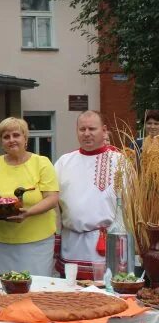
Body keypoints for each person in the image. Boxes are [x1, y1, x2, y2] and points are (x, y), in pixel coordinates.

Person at [0, 117, 59, 276]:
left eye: (16, 135)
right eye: (6, 137)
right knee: (5, 291)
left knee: (37, 289)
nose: (11, 140)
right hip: (1, 242)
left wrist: (28, 212)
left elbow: (52, 198)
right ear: (0, 141)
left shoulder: (41, 163)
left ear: (25, 138)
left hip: (37, 241)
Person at [54, 110, 122, 280]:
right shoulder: (64, 161)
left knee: (105, 297)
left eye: (92, 129)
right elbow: (54, 203)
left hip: (104, 244)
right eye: (82, 129)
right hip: (71, 243)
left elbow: (128, 206)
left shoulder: (119, 161)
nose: (87, 134)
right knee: (71, 296)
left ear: (104, 130)